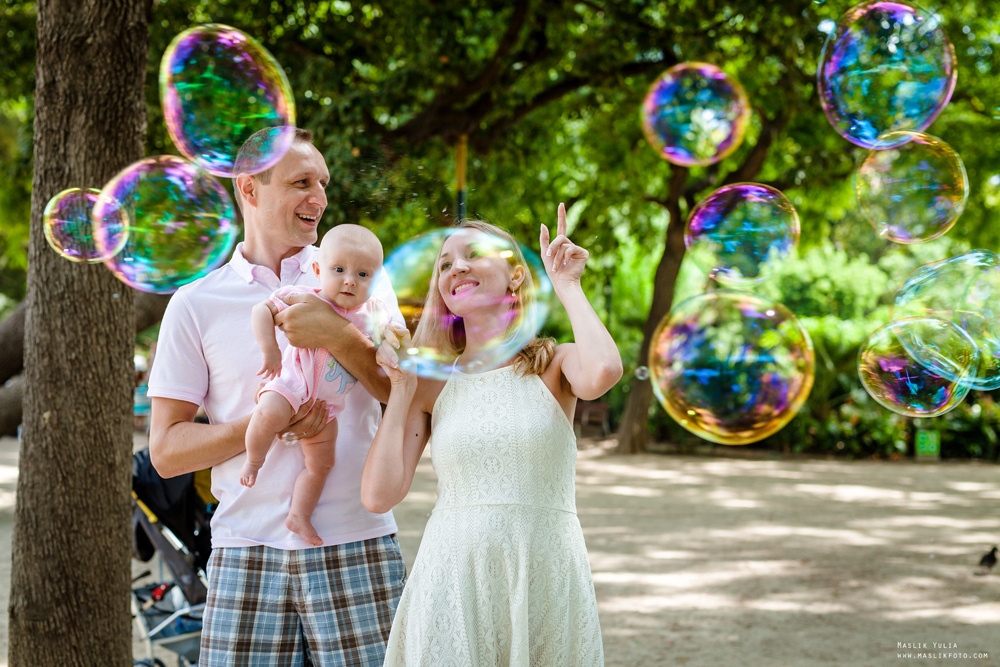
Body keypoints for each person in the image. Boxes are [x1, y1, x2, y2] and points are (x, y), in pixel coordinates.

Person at [147, 127, 407, 666]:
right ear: (249, 189)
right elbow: (167, 451)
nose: (320, 197)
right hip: (245, 553)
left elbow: (400, 394)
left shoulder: (364, 281)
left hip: (356, 543)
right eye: (301, 182)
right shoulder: (195, 304)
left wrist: (336, 333)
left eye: (323, 183)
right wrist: (267, 425)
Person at [361, 205, 622, 665]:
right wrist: (400, 392)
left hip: (541, 570)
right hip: (453, 577)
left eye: (474, 254)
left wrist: (568, 286)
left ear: (515, 277)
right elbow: (379, 496)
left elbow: (604, 371)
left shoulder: (553, 364)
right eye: (444, 264)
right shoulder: (430, 385)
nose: (456, 266)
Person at [242, 224, 390, 547]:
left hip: (328, 410)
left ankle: (300, 515)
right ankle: (254, 460)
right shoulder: (304, 298)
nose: (350, 280)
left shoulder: (372, 317)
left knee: (321, 465)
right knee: (267, 415)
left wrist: (391, 344)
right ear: (317, 270)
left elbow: (393, 361)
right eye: (339, 270)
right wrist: (270, 348)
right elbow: (261, 310)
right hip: (290, 386)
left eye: (363, 275)